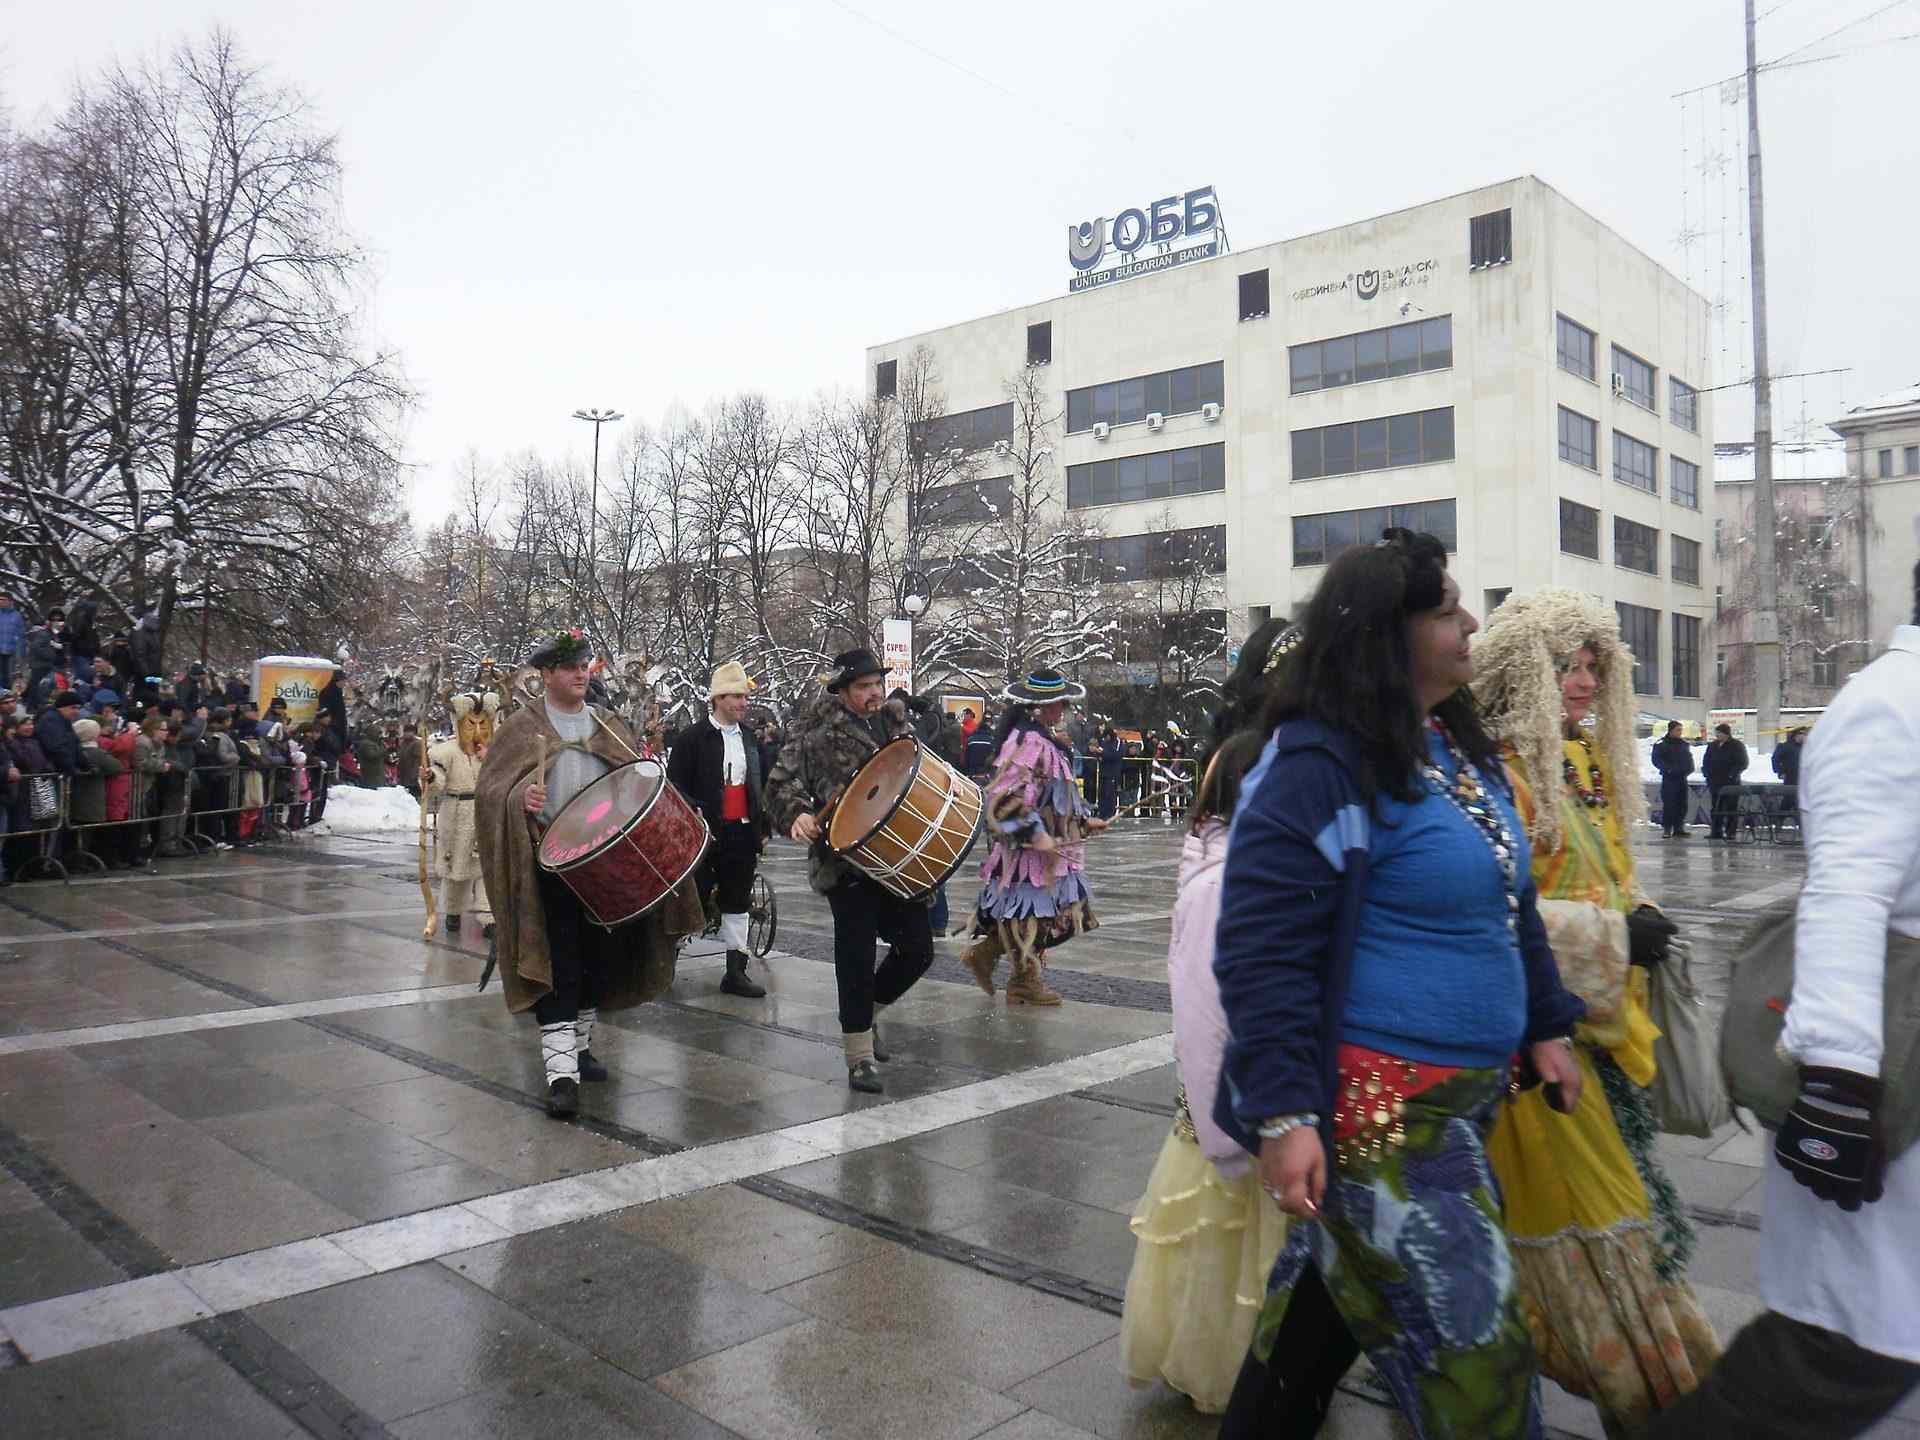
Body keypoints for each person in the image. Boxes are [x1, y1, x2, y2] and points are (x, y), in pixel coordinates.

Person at [1213, 529, 1585, 1439]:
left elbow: (1511, 900)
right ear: (1389, 633)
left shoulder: (1457, 747)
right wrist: (1285, 1115)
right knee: (1479, 1363)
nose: (1470, 626)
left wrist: (1546, 1022)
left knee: (1311, 1328)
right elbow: (1262, 950)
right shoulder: (1318, 764)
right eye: (1447, 612)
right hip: (1381, 1114)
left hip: (1465, 1102)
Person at [1644, 567, 1920, 1440]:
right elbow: (1846, 894)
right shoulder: (1893, 707)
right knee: (1840, 1353)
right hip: (1889, 1085)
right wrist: (1837, 1085)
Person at [1472, 589, 1722, 1436]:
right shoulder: (1499, 775)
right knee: (1595, 1226)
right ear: (1523, 672)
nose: (1582, 683)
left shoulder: (1581, 761)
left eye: (1592, 667)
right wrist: (1616, 936)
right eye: (1564, 667)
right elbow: (1489, 917)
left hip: (1603, 1038)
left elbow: (1608, 875)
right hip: (1538, 1048)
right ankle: (1653, 1393)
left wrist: (1637, 913)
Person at [1119, 730, 1287, 1415]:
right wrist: (1229, 1126)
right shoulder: (1224, 883)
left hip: (1248, 1098)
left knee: (1231, 1247)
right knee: (1219, 1247)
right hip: (1234, 1110)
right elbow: (1203, 1009)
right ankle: (1221, 1365)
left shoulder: (1245, 869)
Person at [475, 628, 702, 1118]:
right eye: (569, 667)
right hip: (551, 868)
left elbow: (633, 779)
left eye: (584, 666)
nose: (581, 674)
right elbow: (491, 792)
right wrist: (520, 799)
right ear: (546, 675)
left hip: (607, 865)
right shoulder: (522, 728)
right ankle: (561, 1075)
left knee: (598, 959)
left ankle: (579, 1050)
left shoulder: (608, 725)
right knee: (558, 963)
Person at [765, 648, 932, 1095]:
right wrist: (797, 813)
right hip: (846, 860)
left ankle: (867, 1013)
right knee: (855, 956)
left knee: (918, 949)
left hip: (898, 857)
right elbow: (779, 784)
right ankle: (858, 1057)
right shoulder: (815, 733)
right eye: (863, 686)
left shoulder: (898, 725)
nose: (874, 692)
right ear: (841, 691)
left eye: (877, 683)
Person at [960, 669, 1110, 1006]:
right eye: (1057, 703)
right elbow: (1003, 798)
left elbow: (1054, 798)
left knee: (1042, 917)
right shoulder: (1027, 742)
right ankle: (1019, 978)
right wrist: (1036, 836)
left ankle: (1002, 966)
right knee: (1034, 917)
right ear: (1039, 707)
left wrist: (1083, 822)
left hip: (1048, 852)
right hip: (1028, 853)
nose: (1063, 709)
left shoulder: (1042, 739)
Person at [667, 661, 769, 999]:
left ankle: (736, 971)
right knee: (691, 897)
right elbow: (674, 785)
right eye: (737, 697)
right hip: (702, 834)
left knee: (738, 900)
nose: (744, 703)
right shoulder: (692, 738)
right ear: (719, 699)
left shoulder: (750, 738)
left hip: (741, 832)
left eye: (745, 697)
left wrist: (763, 825)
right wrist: (693, 808)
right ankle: (667, 962)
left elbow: (760, 784)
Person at [427, 692, 498, 937]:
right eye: (471, 724)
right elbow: (438, 779)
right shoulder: (446, 752)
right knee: (456, 868)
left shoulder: (497, 751)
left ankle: (489, 918)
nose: (477, 730)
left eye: (483, 723)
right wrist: (430, 778)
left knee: (488, 869)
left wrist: (490, 759)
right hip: (457, 814)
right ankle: (453, 911)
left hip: (487, 812)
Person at [1703, 722, 1749, 841]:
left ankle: (1730, 832)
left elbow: (1743, 763)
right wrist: (1707, 773)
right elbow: (1706, 760)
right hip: (1715, 782)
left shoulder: (1737, 745)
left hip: (1731, 783)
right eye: (1716, 733)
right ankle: (1716, 831)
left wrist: (1732, 774)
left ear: (1726, 734)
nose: (1717, 735)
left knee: (1731, 808)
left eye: (1719, 733)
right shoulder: (1713, 745)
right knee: (1716, 807)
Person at [1652, 719, 1697, 838]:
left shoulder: (1683, 744)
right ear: (1671, 730)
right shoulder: (1662, 744)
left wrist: (1689, 769)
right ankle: (1667, 828)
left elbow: (1688, 758)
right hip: (1669, 778)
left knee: (1682, 804)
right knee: (1669, 804)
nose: (1680, 732)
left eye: (1681, 730)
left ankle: (1679, 828)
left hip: (1682, 778)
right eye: (1677, 730)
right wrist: (1668, 769)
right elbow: (1656, 760)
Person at [0, 591, 22, 692]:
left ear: (10, 601)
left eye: (3, 600)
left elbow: (21, 635)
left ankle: (7, 695)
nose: (0, 602)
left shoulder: (17, 616)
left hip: (11, 651)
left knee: (8, 676)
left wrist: (21, 652)